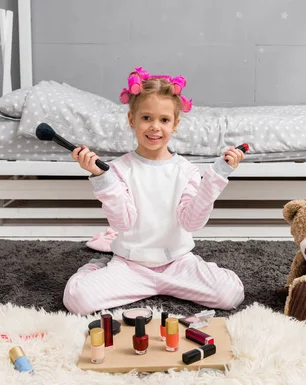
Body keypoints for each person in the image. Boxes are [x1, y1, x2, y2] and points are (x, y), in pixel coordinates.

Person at [63, 67, 245, 315]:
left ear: (175, 123)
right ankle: (98, 266)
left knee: (231, 295)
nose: (154, 127)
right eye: (146, 118)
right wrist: (101, 178)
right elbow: (123, 223)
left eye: (164, 120)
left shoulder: (187, 171)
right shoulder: (117, 170)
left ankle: (182, 278)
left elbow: (192, 222)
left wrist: (215, 178)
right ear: (132, 120)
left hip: (177, 264)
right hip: (130, 265)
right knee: (78, 301)